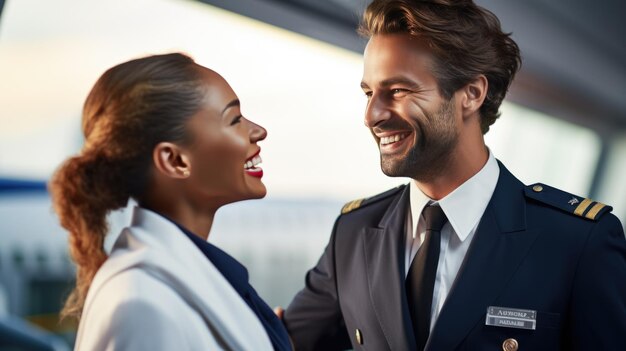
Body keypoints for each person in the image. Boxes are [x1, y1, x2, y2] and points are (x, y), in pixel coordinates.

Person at [282, 1, 626, 350]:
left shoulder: (577, 242)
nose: (372, 115)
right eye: (369, 93)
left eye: (398, 90)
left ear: (472, 95)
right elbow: (276, 341)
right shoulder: (354, 233)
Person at [49, 53, 292, 351]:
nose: (258, 131)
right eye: (235, 120)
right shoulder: (139, 306)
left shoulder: (182, 279)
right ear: (174, 160)